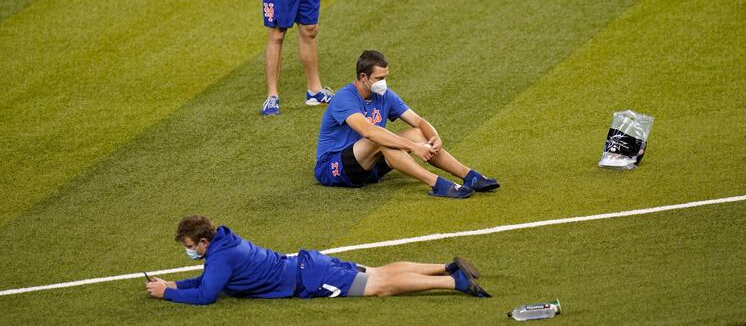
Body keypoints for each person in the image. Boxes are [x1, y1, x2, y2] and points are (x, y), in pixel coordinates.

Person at [146, 215, 490, 304]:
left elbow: (208, 295)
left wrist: (168, 293)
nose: (189, 251)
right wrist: (176, 283)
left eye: (190, 245)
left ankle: (452, 281)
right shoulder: (224, 244)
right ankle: (446, 267)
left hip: (310, 279)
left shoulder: (220, 256)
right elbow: (209, 282)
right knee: (379, 272)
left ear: (203, 241)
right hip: (308, 263)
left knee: (381, 287)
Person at [314, 50, 500, 198]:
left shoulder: (384, 95)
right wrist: (414, 148)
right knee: (380, 138)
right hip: (334, 168)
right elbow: (368, 132)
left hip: (370, 166)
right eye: (379, 78)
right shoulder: (344, 98)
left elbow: (418, 121)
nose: (384, 83)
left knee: (419, 133)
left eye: (386, 77)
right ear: (363, 77)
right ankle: (436, 183)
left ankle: (469, 176)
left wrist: (434, 137)